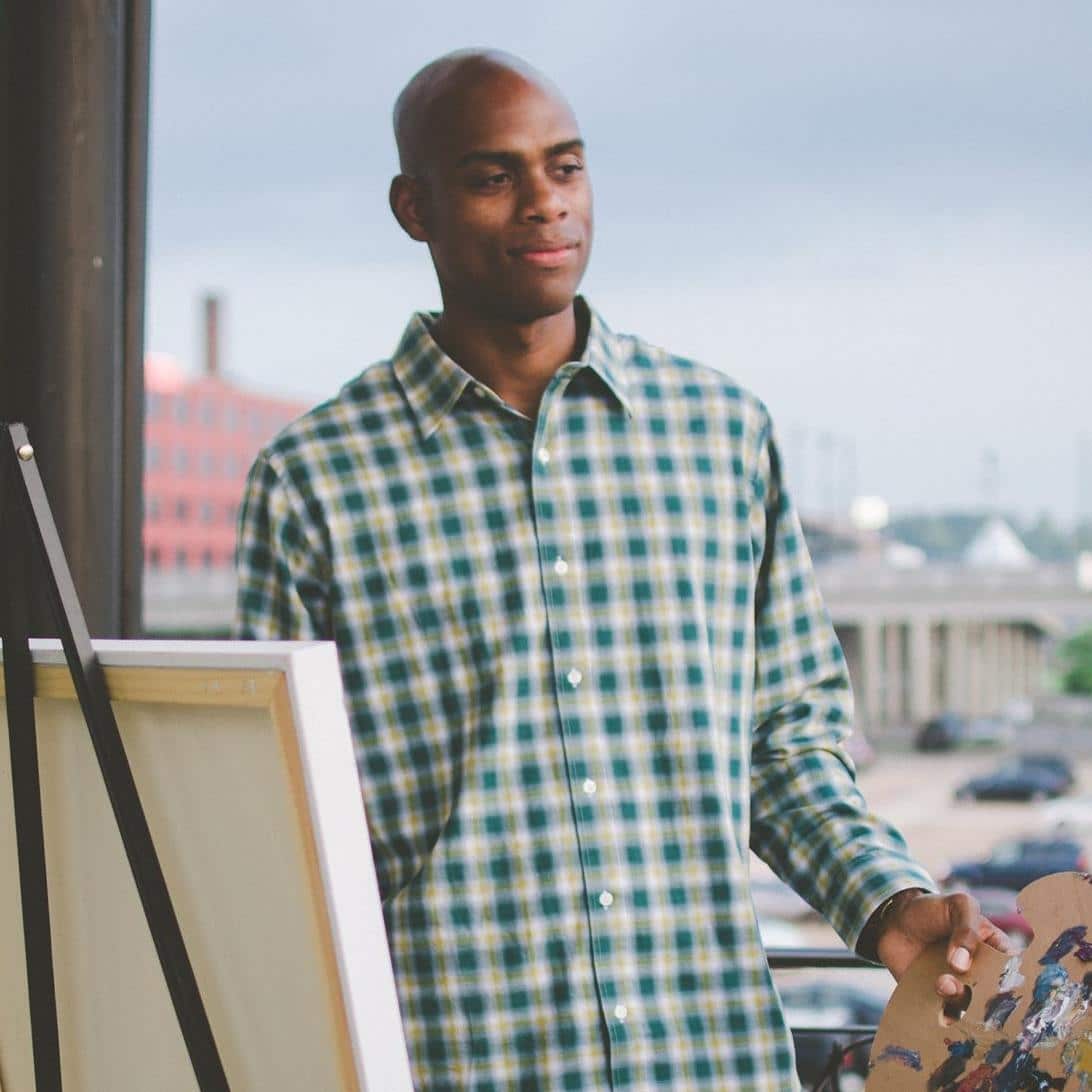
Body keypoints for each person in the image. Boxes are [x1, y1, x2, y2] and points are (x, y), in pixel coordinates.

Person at [235, 49, 1007, 1091]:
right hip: (457, 1062)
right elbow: (285, 839)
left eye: (566, 167)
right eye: (493, 176)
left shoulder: (720, 435)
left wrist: (884, 904)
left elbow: (783, 744)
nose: (546, 205)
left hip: (710, 1063)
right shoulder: (312, 482)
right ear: (412, 207)